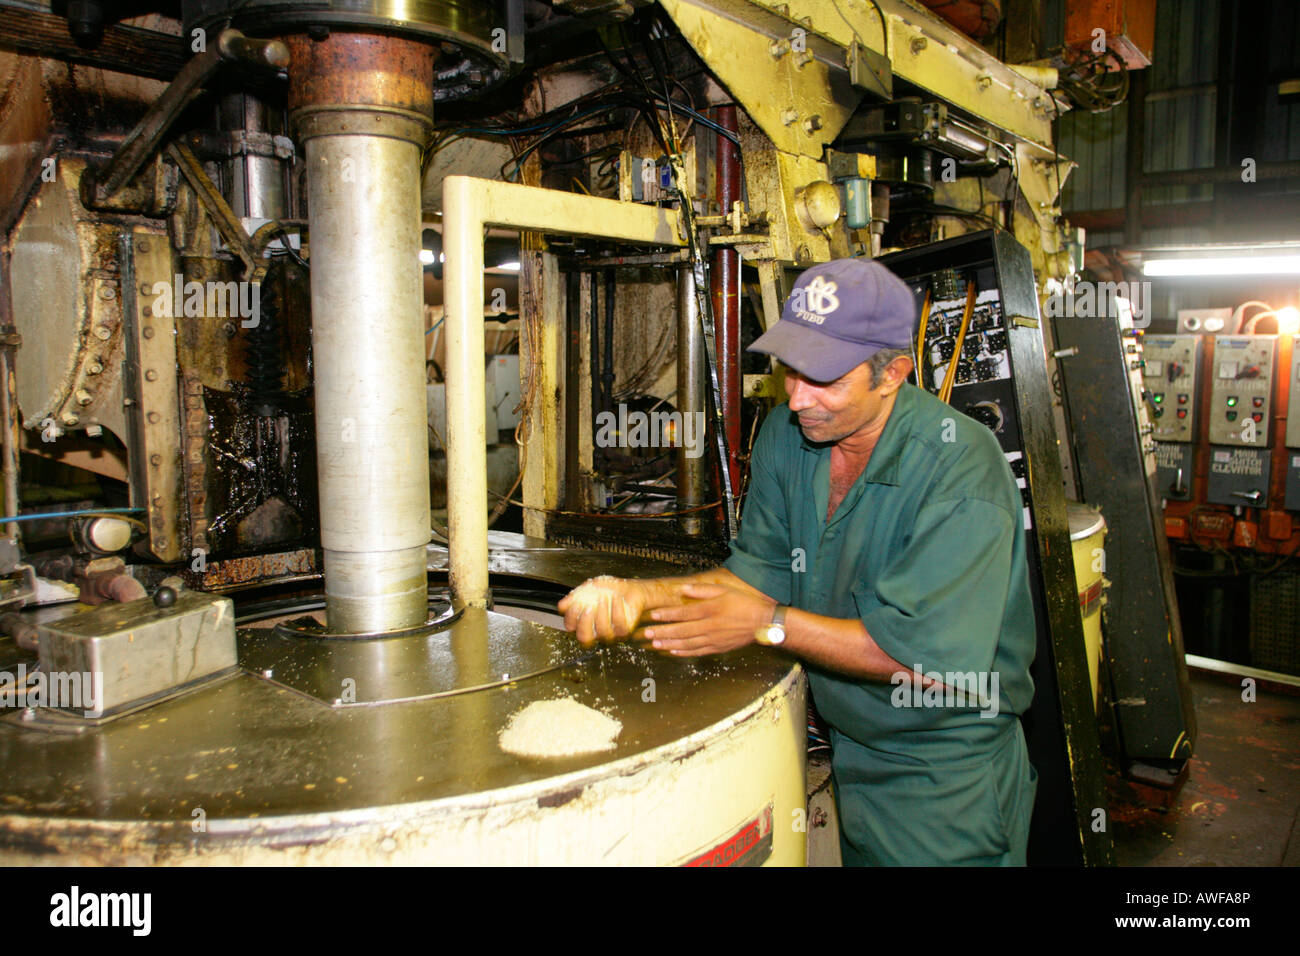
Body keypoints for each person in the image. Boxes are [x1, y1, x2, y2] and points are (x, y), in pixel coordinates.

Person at [558, 257, 1038, 866]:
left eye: (825, 378)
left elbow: (932, 666)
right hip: (852, 747)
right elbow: (752, 576)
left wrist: (769, 623)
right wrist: (638, 595)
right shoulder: (790, 436)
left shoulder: (960, 470)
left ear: (892, 374)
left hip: (946, 767)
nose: (797, 397)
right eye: (789, 370)